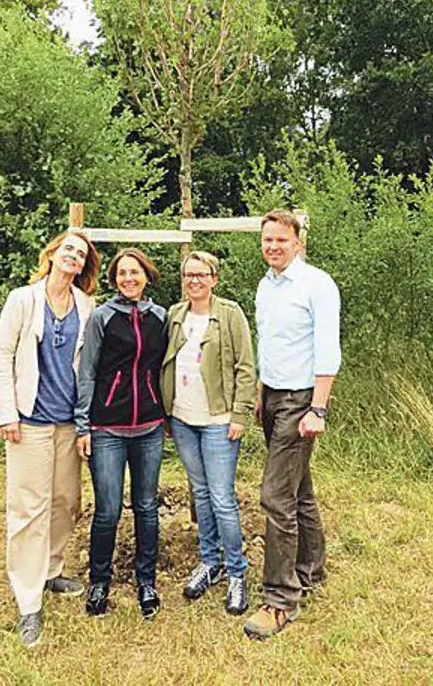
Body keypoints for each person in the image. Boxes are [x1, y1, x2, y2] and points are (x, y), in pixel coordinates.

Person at [0, 230, 100, 649]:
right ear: (53, 254)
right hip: (30, 420)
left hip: (69, 422)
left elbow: (88, 365)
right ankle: (28, 600)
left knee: (66, 502)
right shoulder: (23, 299)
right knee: (29, 508)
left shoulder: (86, 305)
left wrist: (87, 420)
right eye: (68, 249)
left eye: (81, 254)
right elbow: (2, 355)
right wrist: (7, 412)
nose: (74, 256)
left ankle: (51, 570)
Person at [244, 209, 341, 640]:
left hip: (300, 400)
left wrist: (317, 409)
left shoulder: (317, 284)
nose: (273, 246)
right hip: (273, 396)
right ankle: (311, 569)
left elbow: (327, 350)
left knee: (275, 496)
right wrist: (260, 392)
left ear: (298, 241)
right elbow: (269, 344)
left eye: (281, 240)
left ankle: (281, 600)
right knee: (298, 489)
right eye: (267, 240)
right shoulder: (266, 286)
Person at [75, 247, 168, 622]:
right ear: (114, 280)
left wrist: (167, 413)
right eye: (122, 273)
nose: (129, 278)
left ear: (147, 276)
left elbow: (164, 369)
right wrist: (83, 424)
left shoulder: (160, 317)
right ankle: (99, 581)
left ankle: (147, 581)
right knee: (108, 510)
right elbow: (87, 372)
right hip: (107, 428)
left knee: (146, 507)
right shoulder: (102, 317)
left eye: (135, 272)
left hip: (149, 427)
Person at [160, 250, 256, 615]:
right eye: (189, 275)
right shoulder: (175, 315)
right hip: (183, 418)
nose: (194, 281)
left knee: (222, 498)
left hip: (219, 420)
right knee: (200, 492)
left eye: (201, 275)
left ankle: (236, 572)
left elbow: (245, 367)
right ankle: (209, 562)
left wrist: (239, 414)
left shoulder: (230, 314)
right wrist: (166, 412)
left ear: (214, 279)